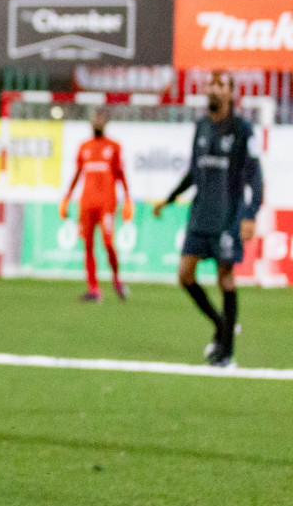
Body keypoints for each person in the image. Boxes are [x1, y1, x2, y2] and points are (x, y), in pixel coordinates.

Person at [153, 71, 264, 367]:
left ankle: (226, 352)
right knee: (184, 275)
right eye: (211, 84)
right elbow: (194, 171)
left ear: (230, 93)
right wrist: (170, 196)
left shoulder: (242, 130)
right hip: (200, 213)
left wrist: (251, 213)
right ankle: (220, 324)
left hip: (228, 215)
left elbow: (256, 175)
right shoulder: (201, 125)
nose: (214, 89)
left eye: (221, 85)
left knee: (225, 277)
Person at [60, 112, 132, 302]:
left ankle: (117, 280)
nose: (97, 122)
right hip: (87, 204)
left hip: (106, 204)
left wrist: (127, 199)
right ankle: (93, 289)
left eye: (101, 119)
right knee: (88, 245)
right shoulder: (84, 147)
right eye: (94, 119)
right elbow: (77, 173)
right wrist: (67, 198)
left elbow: (121, 174)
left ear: (106, 122)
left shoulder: (114, 147)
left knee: (108, 243)